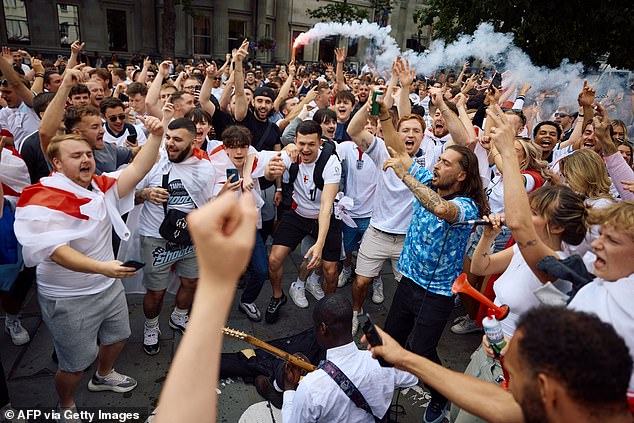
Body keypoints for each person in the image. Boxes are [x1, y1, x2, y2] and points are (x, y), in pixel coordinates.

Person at [14, 114, 164, 422]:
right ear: (56, 164)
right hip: (68, 297)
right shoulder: (42, 198)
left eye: (88, 155)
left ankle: (103, 375)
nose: (87, 160)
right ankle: (65, 405)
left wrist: (157, 136)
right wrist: (102, 268)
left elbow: (137, 169)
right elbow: (57, 253)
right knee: (73, 364)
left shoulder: (99, 186)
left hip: (106, 284)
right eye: (76, 156)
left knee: (120, 335)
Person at [381, 100, 489, 422]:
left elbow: (441, 209)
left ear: (461, 174)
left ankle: (441, 396)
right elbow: (398, 152)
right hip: (409, 281)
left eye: (445, 162)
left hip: (438, 293)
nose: (438, 165)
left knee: (421, 351)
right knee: (390, 341)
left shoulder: (469, 207)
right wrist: (386, 115)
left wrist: (407, 178)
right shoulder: (429, 181)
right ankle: (379, 393)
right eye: (439, 160)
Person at [365, 307, 634, 423]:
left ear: (544, 388)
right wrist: (403, 358)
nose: (505, 385)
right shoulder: (571, 404)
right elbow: (497, 403)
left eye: (511, 375)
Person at [135, 118, 216, 355]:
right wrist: (145, 194)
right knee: (156, 292)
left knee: (191, 282)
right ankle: (151, 327)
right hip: (156, 237)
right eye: (168, 138)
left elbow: (207, 203)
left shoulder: (204, 167)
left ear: (194, 141)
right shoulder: (153, 162)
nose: (170, 144)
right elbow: (126, 192)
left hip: (190, 238)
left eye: (178, 140)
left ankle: (179, 316)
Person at [281, 294, 418, 422]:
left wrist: (289, 388)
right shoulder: (381, 362)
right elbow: (413, 377)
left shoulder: (310, 387)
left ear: (323, 328)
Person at [266, 120, 341, 323]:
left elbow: (326, 206)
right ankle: (277, 296)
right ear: (295, 141)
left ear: (320, 144)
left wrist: (320, 243)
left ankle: (328, 307)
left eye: (311, 144)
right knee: (274, 259)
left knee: (330, 270)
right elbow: (266, 173)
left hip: (323, 218)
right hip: (297, 214)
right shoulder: (291, 154)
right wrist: (273, 176)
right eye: (301, 144)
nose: (305, 149)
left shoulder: (331, 163)